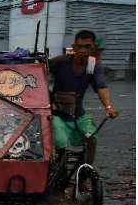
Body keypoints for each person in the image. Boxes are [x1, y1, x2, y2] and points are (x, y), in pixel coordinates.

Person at [49, 30, 118, 165]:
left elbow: (101, 86)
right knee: (60, 141)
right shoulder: (61, 61)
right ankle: (59, 171)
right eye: (79, 46)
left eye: (87, 46)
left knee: (91, 138)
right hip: (58, 115)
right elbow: (40, 69)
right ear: (73, 47)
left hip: (79, 115)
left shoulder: (94, 66)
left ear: (93, 48)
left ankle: (87, 170)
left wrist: (108, 107)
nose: (82, 50)